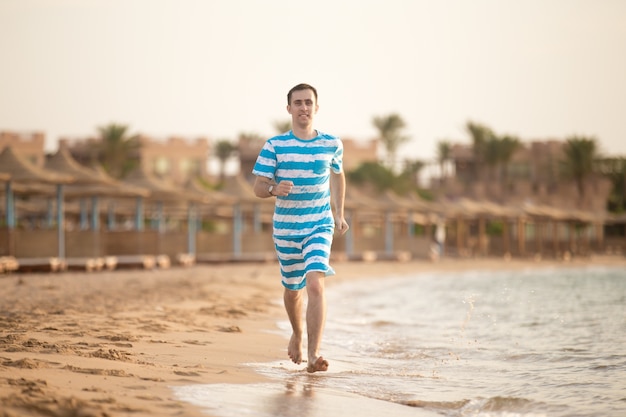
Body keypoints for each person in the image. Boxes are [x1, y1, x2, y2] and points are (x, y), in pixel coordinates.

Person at [252, 83, 349, 373]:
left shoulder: (332, 144)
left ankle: (314, 353)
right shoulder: (275, 146)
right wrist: (273, 188)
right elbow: (257, 187)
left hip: (319, 224)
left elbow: (338, 176)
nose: (304, 107)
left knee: (316, 283)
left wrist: (339, 213)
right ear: (289, 109)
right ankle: (297, 332)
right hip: (286, 229)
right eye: (298, 103)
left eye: (308, 102)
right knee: (293, 291)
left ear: (316, 108)